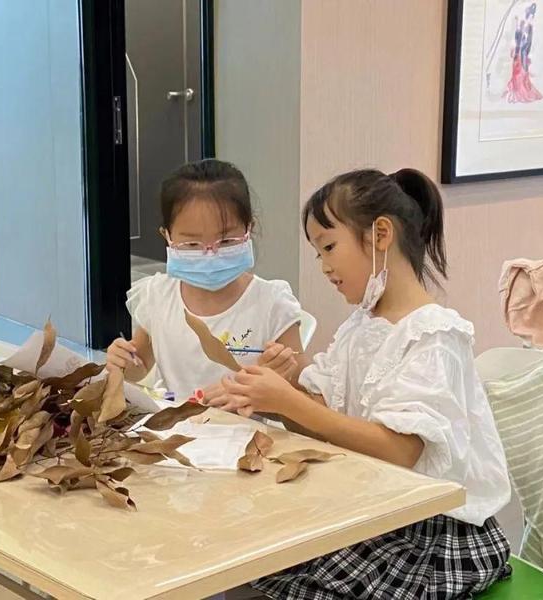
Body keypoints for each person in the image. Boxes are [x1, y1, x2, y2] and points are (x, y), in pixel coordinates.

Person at [219, 168, 512, 598]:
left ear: (381, 235)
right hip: (379, 505)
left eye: (329, 247)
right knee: (251, 557)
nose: (324, 267)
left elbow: (401, 450)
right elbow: (322, 419)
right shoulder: (363, 323)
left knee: (290, 581)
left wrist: (289, 401)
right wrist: (274, 396)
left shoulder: (434, 335)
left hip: (434, 532)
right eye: (318, 253)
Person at [106, 159, 304, 401]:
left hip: (243, 424)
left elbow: (302, 394)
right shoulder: (157, 295)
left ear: (248, 229)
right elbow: (140, 366)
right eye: (192, 244)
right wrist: (124, 362)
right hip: (173, 421)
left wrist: (278, 377)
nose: (210, 254)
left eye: (227, 241)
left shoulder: (272, 303)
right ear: (167, 235)